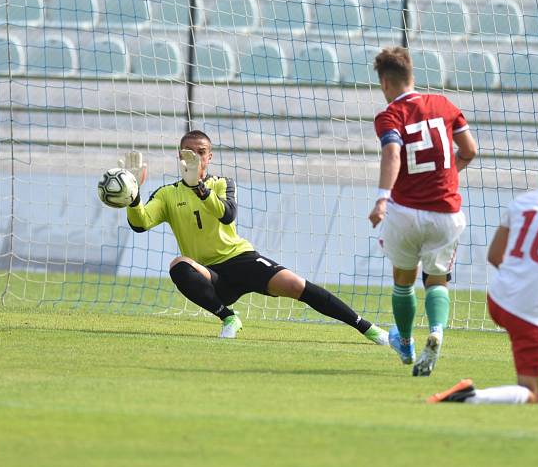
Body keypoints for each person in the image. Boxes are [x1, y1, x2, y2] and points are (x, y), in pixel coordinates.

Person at [121, 130, 390, 345]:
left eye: (201, 153)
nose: (195, 158)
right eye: (188, 153)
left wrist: (199, 188)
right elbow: (140, 224)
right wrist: (133, 196)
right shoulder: (167, 193)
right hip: (210, 276)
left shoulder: (222, 183)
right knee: (178, 265)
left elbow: (227, 215)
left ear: (210, 157)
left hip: (241, 260)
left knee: (297, 285)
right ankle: (228, 318)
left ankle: (369, 329)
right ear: (179, 156)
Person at [428, 148, 538, 404]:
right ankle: (470, 396)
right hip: (531, 312)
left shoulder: (520, 203)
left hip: (498, 300)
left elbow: (494, 256)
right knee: (532, 393)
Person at [369, 46, 478, 377]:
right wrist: (446, 176)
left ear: (386, 82)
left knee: (403, 281)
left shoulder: (390, 115)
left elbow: (392, 153)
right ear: (412, 75)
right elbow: (470, 150)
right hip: (447, 214)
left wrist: (382, 198)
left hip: (405, 212)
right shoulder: (443, 105)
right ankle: (438, 330)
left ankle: (405, 342)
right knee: (437, 280)